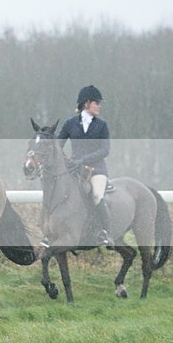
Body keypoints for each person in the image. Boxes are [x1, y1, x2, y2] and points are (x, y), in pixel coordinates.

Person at [57, 85, 114, 247]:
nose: (99, 106)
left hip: (97, 170)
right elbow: (58, 145)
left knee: (96, 195)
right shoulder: (70, 124)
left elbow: (105, 150)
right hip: (75, 170)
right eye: (97, 103)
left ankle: (106, 233)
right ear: (86, 103)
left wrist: (82, 160)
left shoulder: (102, 125)